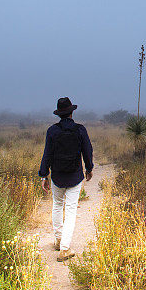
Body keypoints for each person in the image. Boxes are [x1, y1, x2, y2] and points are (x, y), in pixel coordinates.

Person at [39, 97, 94, 261]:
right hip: (75, 176)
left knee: (57, 205)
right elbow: (87, 150)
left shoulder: (52, 131)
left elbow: (47, 154)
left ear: (59, 114)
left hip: (57, 176)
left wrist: (44, 175)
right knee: (70, 210)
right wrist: (89, 169)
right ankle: (65, 248)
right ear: (71, 112)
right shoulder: (80, 130)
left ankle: (58, 240)